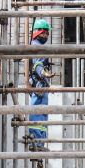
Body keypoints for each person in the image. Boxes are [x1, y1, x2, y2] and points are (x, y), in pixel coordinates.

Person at [27, 19, 52, 151]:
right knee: (37, 112)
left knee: (42, 113)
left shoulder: (37, 45)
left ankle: (40, 143)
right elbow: (37, 64)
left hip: (41, 84)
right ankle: (36, 142)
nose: (46, 35)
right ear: (37, 32)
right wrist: (43, 72)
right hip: (39, 84)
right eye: (44, 33)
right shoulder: (36, 46)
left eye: (47, 33)